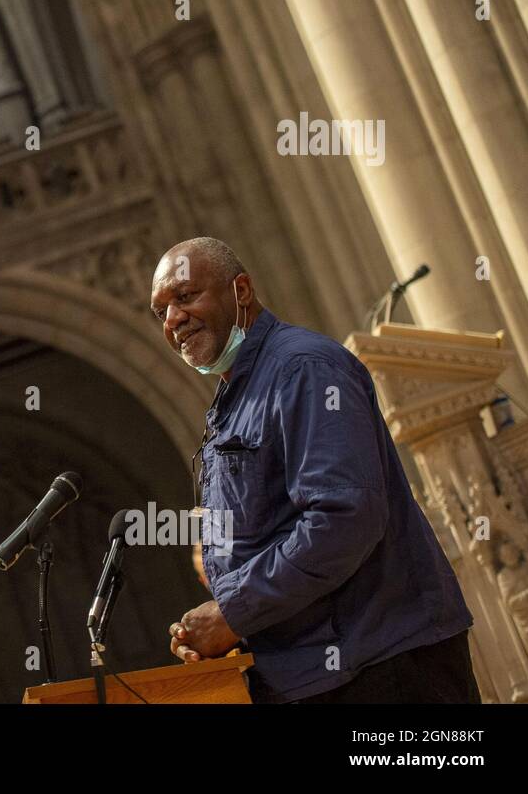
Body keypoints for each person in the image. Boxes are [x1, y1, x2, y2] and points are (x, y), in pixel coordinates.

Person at [149, 237, 480, 703]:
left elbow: (344, 518)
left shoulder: (302, 368)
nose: (173, 320)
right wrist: (232, 628)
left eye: (184, 297)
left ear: (241, 291)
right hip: (316, 676)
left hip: (383, 668)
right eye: (160, 311)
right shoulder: (237, 398)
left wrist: (233, 615)